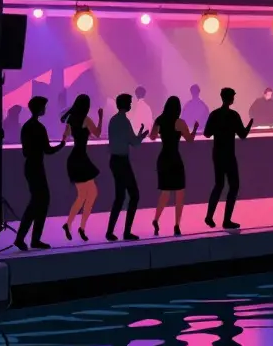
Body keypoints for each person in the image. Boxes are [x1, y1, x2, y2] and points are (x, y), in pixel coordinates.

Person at [14, 96, 67, 251]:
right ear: (40, 108)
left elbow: (26, 151)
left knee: (37, 202)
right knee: (39, 203)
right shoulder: (38, 127)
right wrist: (62, 145)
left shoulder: (26, 126)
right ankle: (31, 239)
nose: (45, 109)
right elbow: (48, 150)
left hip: (30, 166)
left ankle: (26, 238)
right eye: (44, 106)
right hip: (36, 167)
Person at [204, 87, 253, 229]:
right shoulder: (233, 115)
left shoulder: (214, 114)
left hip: (217, 153)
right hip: (229, 155)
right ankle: (226, 220)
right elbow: (243, 135)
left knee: (218, 185)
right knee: (234, 186)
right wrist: (249, 124)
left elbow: (207, 133)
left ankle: (209, 216)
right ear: (231, 98)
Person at [151, 96, 198, 236]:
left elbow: (152, 136)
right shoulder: (180, 123)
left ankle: (156, 219)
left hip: (163, 158)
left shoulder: (159, 120)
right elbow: (190, 139)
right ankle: (177, 225)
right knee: (179, 194)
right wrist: (194, 128)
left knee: (164, 192)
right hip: (175, 159)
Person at [107, 94, 149, 241]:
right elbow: (135, 143)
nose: (131, 104)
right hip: (122, 162)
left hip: (114, 160)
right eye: (130, 102)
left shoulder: (113, 120)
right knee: (133, 195)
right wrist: (142, 135)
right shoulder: (124, 122)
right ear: (126, 104)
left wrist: (137, 136)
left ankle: (111, 231)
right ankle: (126, 232)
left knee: (120, 197)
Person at [60, 95, 102, 241]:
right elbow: (97, 133)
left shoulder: (71, 119)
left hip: (74, 158)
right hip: (81, 159)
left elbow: (65, 136)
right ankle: (80, 227)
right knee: (91, 194)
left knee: (84, 195)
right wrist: (101, 117)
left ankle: (71, 224)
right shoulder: (86, 119)